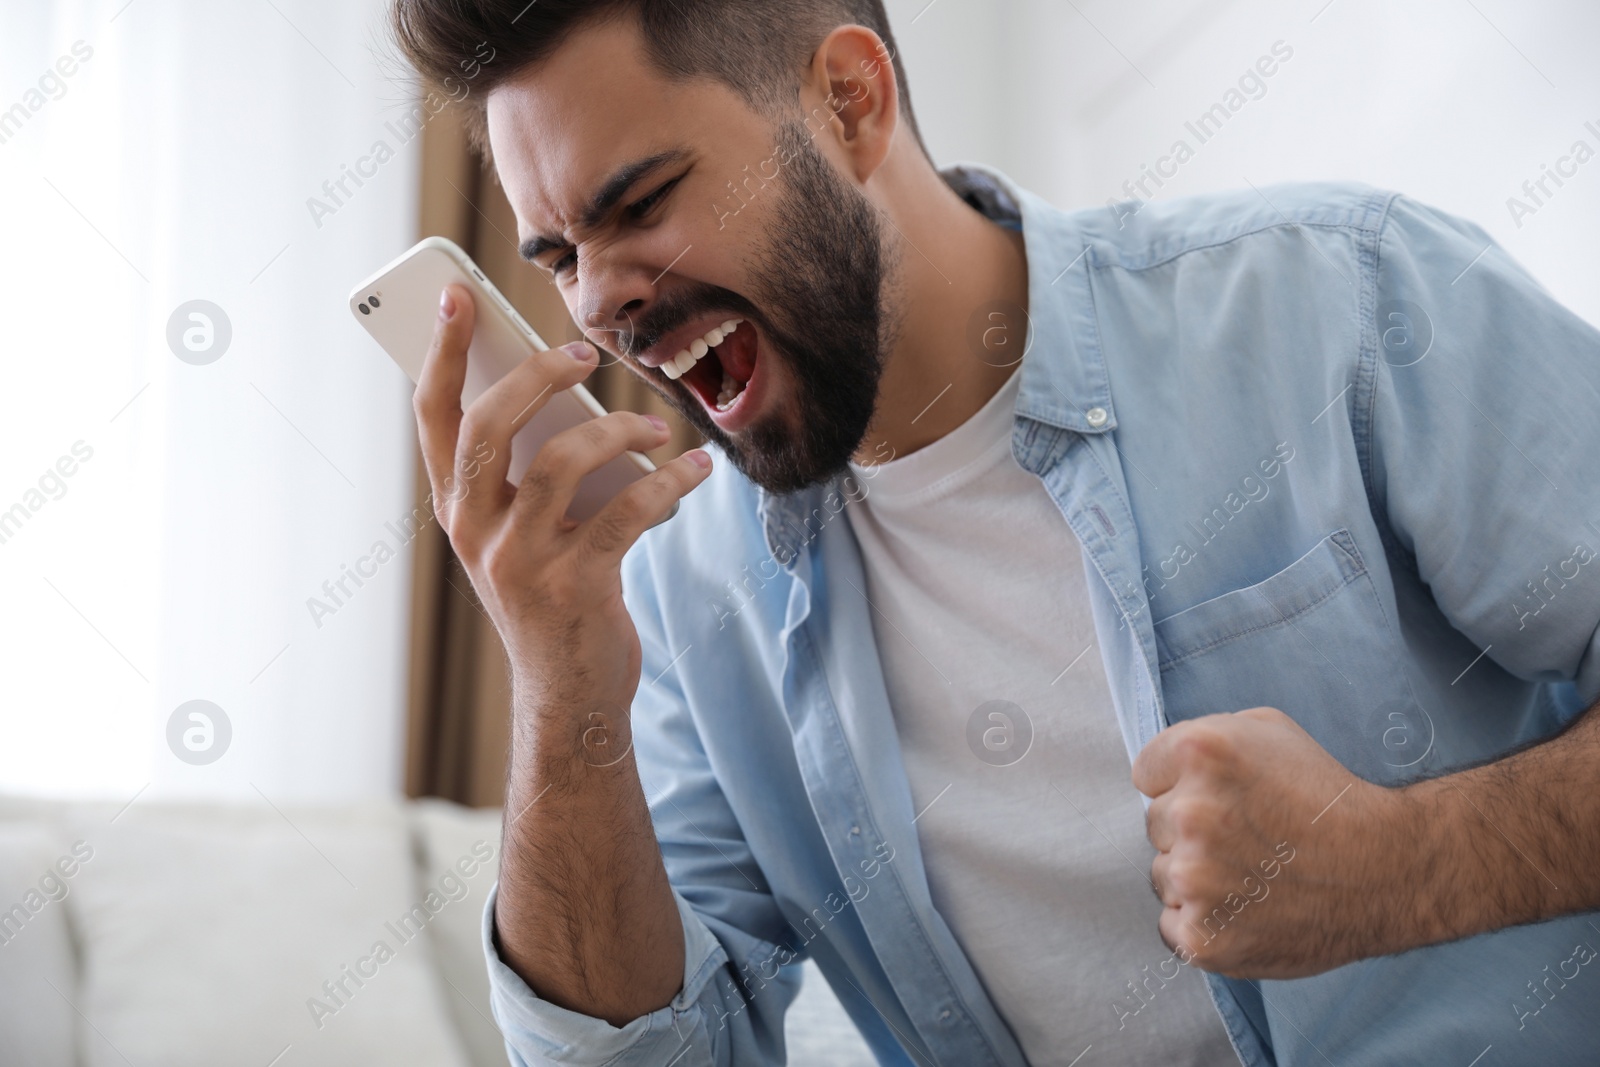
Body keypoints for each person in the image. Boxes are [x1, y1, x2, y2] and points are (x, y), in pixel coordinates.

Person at [391, 1, 1600, 1063]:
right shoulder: (680, 594)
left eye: (641, 201)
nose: (599, 304)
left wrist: (1402, 861)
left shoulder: (1340, 299)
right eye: (559, 257)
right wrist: (559, 687)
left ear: (849, 103)